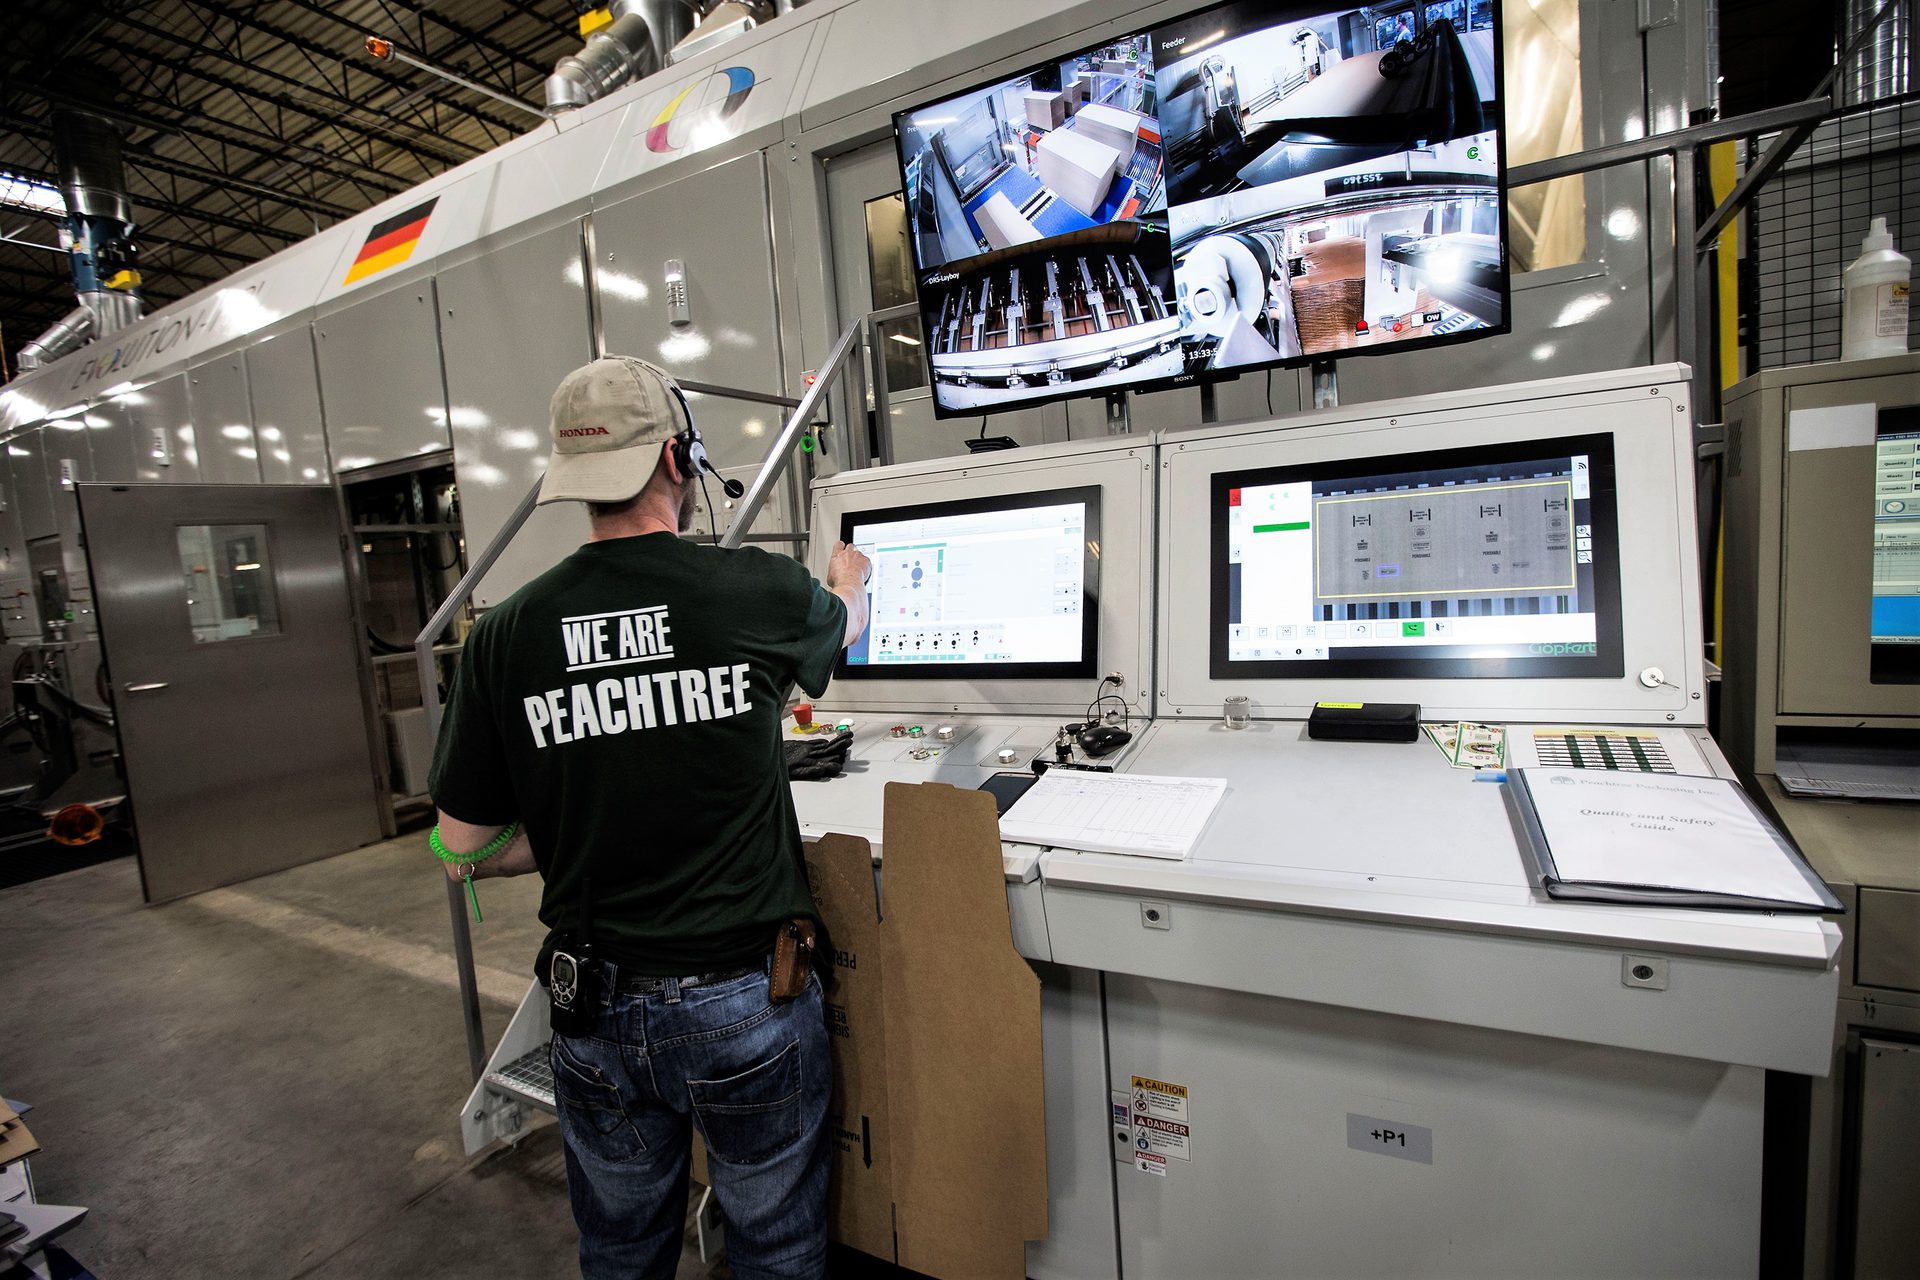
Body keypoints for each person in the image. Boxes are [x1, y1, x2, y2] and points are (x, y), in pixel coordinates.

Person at [426, 354, 871, 1280]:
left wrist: (578, 826)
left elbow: (461, 848)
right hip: (746, 1003)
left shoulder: (504, 632)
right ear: (679, 457)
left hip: (590, 1010)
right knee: (776, 1245)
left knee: (623, 1251)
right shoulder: (753, 590)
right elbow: (844, 624)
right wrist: (846, 574)